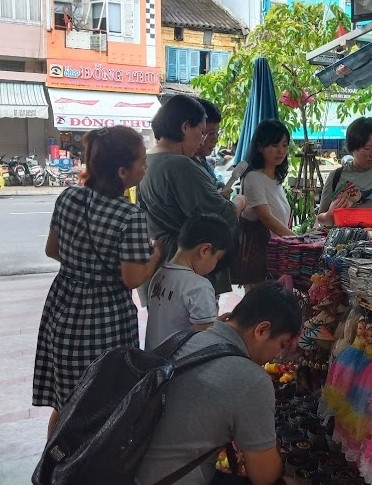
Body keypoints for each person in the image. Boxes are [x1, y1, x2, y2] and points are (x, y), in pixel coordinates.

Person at [33, 126, 162, 435]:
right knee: (102, 403)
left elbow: (52, 249)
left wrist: (84, 267)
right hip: (104, 320)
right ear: (122, 172)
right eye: (142, 161)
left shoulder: (69, 197)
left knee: (66, 404)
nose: (145, 166)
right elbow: (132, 279)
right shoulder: (129, 217)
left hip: (63, 308)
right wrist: (155, 254)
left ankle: (52, 469)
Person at [135, 281, 302, 485]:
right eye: (281, 345)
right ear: (262, 330)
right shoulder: (252, 379)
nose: (277, 356)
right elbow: (264, 476)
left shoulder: (185, 337)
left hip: (125, 469)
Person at [138, 94, 242, 303]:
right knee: (194, 329)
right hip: (186, 266)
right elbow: (220, 216)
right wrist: (239, 203)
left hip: (160, 263)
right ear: (186, 127)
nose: (203, 140)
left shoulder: (148, 160)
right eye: (202, 132)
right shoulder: (180, 165)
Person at [144, 213, 232, 351]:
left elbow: (175, 322)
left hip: (153, 361)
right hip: (180, 367)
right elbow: (205, 338)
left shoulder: (160, 274)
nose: (215, 265)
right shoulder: (199, 286)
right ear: (205, 250)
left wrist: (212, 322)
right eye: (218, 258)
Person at [241, 119, 295, 238]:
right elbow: (266, 217)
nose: (281, 150)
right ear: (260, 147)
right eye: (275, 145)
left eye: (284, 145)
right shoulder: (253, 177)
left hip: (277, 251)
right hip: (261, 253)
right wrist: (298, 239)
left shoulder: (276, 179)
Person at [194, 98, 222, 186]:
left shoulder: (202, 160)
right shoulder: (186, 167)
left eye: (217, 133)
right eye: (211, 133)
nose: (215, 140)